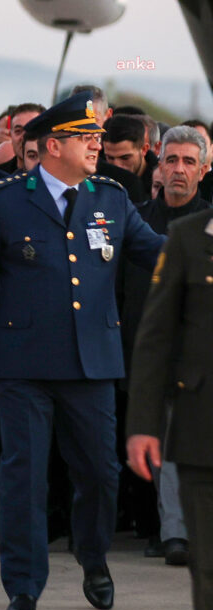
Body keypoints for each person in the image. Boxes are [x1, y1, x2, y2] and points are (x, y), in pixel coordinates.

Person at [0, 91, 165, 610]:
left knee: (100, 473)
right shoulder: (5, 198)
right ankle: (23, 587)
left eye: (97, 139)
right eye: (87, 140)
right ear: (52, 146)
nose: (97, 147)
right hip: (23, 365)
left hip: (92, 365)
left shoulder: (110, 197)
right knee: (23, 478)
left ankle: (93, 558)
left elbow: (155, 251)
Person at [125, 203, 213, 610]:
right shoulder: (186, 236)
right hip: (203, 433)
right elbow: (155, 336)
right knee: (210, 576)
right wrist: (142, 424)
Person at [121, 125, 210, 566]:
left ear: (205, 170)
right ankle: (170, 533)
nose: (178, 170)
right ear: (158, 163)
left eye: (189, 162)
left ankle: (182, 534)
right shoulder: (133, 222)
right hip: (142, 360)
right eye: (171, 160)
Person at [104, 115, 155, 197]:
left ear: (144, 149)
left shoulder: (161, 183)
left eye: (125, 158)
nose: (117, 166)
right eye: (110, 158)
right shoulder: (94, 174)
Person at [0, 103, 44, 174]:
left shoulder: (60, 175)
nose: (24, 137)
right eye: (18, 131)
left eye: (32, 129)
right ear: (10, 135)